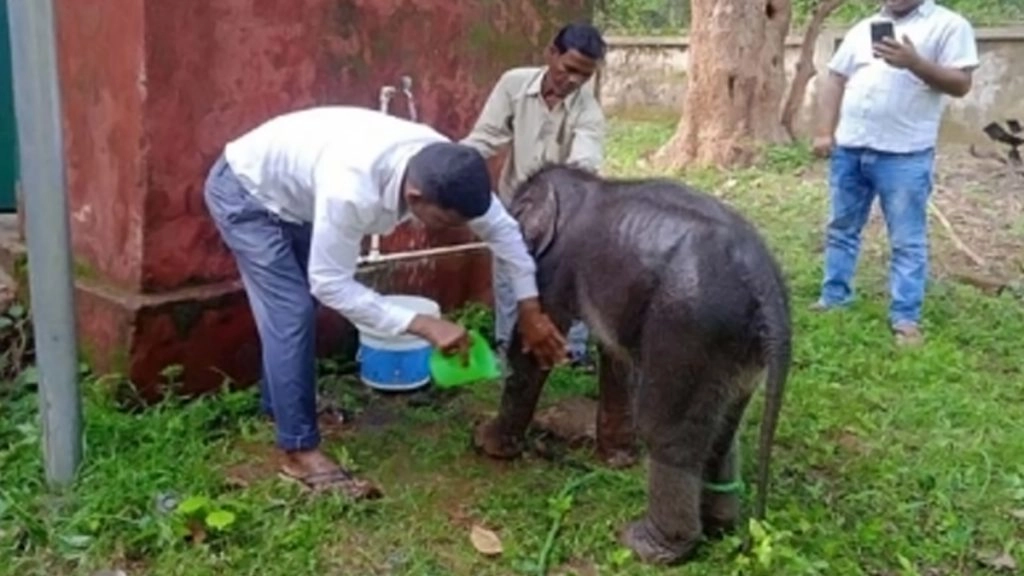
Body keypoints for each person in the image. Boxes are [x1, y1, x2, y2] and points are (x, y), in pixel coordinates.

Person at [203, 105, 568, 497]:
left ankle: (280, 408)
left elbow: (504, 233)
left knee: (294, 311)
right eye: (445, 222)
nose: (450, 233)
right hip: (246, 192)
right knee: (292, 311)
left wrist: (530, 307)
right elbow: (330, 284)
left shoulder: (451, 169)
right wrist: (423, 324)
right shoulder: (351, 190)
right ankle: (298, 451)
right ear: (415, 195)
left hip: (296, 194)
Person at [811, 0, 978, 346]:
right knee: (841, 228)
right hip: (851, 149)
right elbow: (836, 78)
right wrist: (825, 132)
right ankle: (834, 298)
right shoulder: (863, 27)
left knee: (906, 240)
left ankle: (905, 318)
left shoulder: (949, 25)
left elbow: (961, 83)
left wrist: (914, 63)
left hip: (904, 155)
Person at [460, 22, 607, 368]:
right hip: (516, 203)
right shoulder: (514, 83)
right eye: (568, 69)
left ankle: (571, 353)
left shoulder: (589, 112)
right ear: (551, 54)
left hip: (566, 212)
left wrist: (559, 212)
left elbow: (582, 167)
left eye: (583, 76)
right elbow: (487, 137)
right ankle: (508, 349)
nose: (572, 81)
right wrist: (450, 161)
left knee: (568, 277)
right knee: (510, 276)